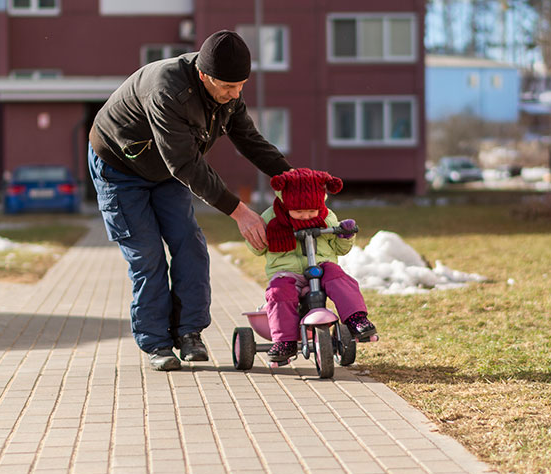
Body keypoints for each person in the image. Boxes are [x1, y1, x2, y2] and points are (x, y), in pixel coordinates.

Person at [88, 30, 292, 371]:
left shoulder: (228, 92)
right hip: (120, 169)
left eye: (241, 85)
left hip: (166, 171)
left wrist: (292, 181)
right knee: (148, 255)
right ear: (203, 74)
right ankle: (157, 343)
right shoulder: (167, 88)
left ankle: (189, 334)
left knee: (191, 244)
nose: (235, 94)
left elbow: (249, 140)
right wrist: (239, 212)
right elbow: (184, 163)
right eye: (227, 87)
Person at [246, 168, 378, 362]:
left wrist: (345, 235)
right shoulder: (272, 218)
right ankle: (285, 341)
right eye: (299, 212)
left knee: (338, 277)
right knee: (278, 292)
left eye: (311, 211)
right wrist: (260, 237)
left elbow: (340, 249)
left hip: (321, 265)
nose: (306, 216)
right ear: (286, 203)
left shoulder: (326, 217)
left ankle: (356, 318)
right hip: (286, 272)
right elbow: (257, 249)